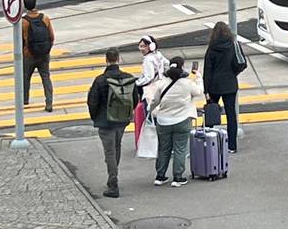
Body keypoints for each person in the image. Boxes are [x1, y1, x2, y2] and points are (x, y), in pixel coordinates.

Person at [86, 47, 139, 198]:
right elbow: (134, 100)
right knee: (116, 147)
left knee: (109, 151)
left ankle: (113, 183)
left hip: (105, 121)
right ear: (119, 59)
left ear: (106, 60)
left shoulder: (100, 80)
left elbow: (93, 102)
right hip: (122, 120)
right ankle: (113, 174)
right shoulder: (128, 77)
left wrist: (95, 118)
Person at [149, 56, 202, 187]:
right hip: (182, 120)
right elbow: (199, 91)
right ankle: (177, 178)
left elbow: (155, 101)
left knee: (163, 149)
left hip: (163, 121)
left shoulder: (162, 83)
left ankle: (160, 176)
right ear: (182, 66)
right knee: (180, 149)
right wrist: (199, 77)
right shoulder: (187, 83)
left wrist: (149, 111)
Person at [203, 21, 243, 153]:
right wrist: (233, 73)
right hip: (230, 84)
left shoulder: (212, 48)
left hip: (214, 85)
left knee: (211, 113)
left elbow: (207, 70)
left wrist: (206, 90)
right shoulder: (233, 45)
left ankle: (208, 141)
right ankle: (232, 146)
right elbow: (240, 63)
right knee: (231, 115)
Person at [133, 35, 168, 150]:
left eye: (143, 46)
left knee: (151, 117)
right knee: (161, 115)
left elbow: (149, 76)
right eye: (140, 46)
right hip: (161, 87)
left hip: (150, 91)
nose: (141, 49)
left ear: (150, 46)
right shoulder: (158, 55)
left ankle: (154, 144)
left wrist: (137, 83)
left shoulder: (148, 59)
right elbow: (167, 64)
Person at [21, 0, 55, 112]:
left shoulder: (23, 21)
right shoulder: (45, 18)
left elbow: (21, 40)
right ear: (35, 4)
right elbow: (51, 36)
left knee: (25, 78)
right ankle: (49, 103)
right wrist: (47, 50)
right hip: (44, 54)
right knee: (46, 78)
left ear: (25, 6)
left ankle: (25, 100)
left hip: (29, 55)